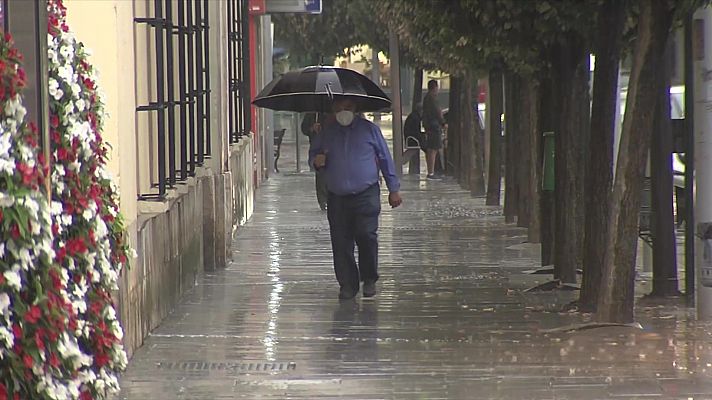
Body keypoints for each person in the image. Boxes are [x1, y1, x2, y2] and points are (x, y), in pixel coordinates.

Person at [309, 97, 403, 300]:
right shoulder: (326, 133)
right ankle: (348, 284)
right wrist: (317, 161)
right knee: (341, 242)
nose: (344, 111)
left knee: (366, 235)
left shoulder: (370, 130)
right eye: (339, 107)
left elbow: (385, 159)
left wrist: (393, 189)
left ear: (356, 108)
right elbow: (313, 157)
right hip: (337, 196)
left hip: (366, 194)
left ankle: (369, 278)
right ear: (333, 108)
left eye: (348, 107)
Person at [301, 112, 331, 210]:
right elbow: (304, 129)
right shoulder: (312, 114)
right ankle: (323, 200)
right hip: (319, 149)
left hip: (332, 148)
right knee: (321, 175)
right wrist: (312, 128)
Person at [422, 79, 447, 179]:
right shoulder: (432, 98)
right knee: (433, 149)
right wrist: (443, 123)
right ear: (435, 88)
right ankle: (431, 172)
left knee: (431, 149)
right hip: (433, 126)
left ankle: (431, 171)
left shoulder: (427, 98)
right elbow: (438, 112)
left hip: (429, 125)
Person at [403, 103, 424, 174]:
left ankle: (398, 163)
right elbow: (416, 131)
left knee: (410, 152)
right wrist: (422, 136)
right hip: (412, 138)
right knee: (410, 152)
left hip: (411, 137)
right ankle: (398, 164)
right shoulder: (415, 118)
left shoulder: (414, 116)